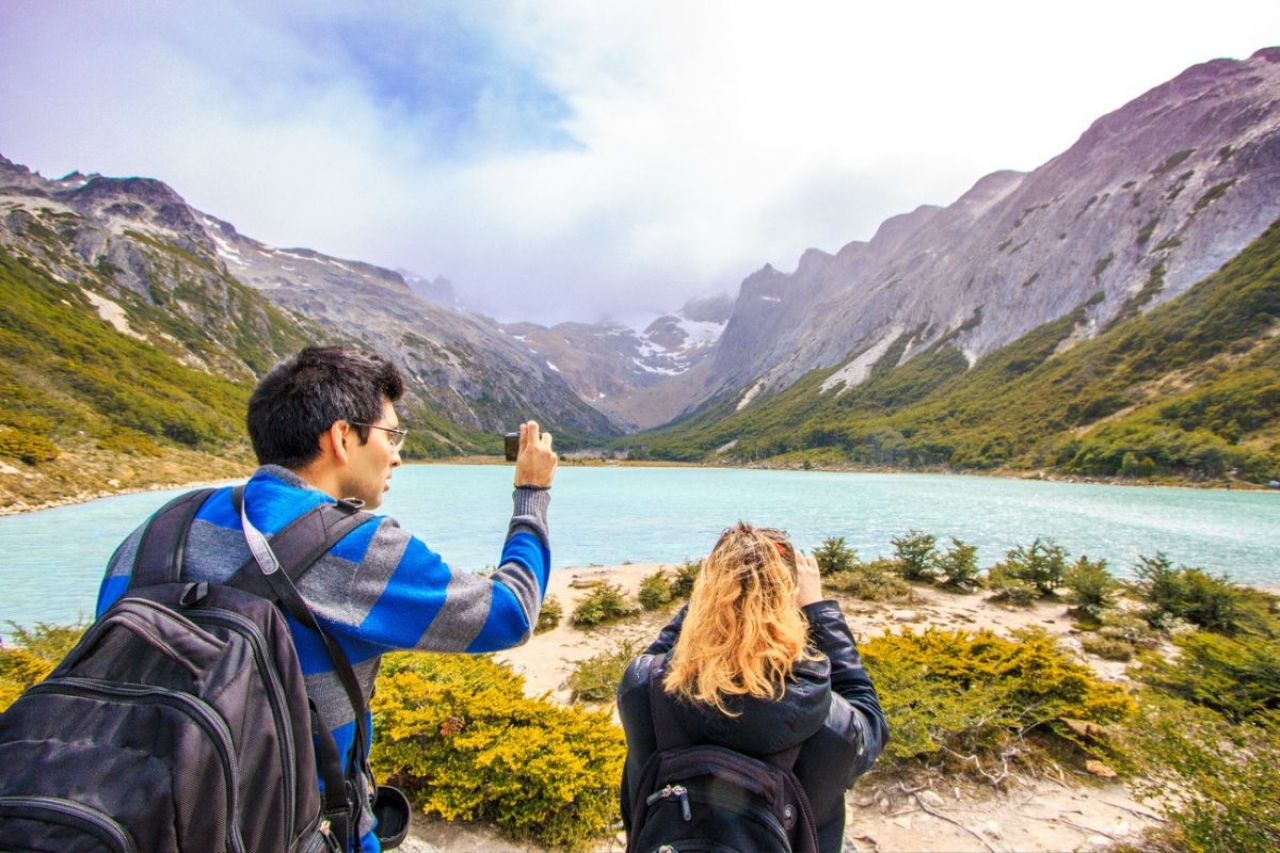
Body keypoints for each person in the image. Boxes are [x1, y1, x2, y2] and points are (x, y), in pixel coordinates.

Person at [96, 345, 558, 853]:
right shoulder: (355, 545)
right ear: (342, 437)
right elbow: (509, 613)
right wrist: (531, 495)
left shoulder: (159, 528)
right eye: (391, 435)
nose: (398, 454)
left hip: (133, 819)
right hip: (291, 833)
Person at [616, 523, 888, 853]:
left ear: (706, 594)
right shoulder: (831, 726)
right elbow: (869, 713)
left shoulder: (642, 690)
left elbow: (658, 655)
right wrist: (820, 611)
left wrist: (710, 597)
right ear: (791, 603)